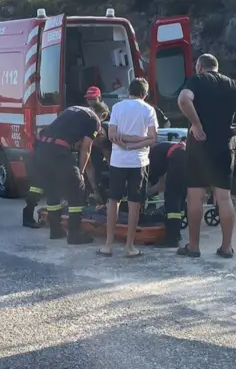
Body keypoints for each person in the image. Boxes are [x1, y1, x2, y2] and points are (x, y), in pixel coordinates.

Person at [175, 54, 236, 258]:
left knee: (195, 196)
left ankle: (194, 246)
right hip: (224, 144)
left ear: (199, 67)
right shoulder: (232, 84)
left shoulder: (197, 80)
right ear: (217, 67)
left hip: (199, 143)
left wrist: (196, 124)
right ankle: (226, 247)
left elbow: (184, 99)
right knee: (224, 197)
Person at [34, 100, 110, 244]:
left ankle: (55, 230)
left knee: (53, 189)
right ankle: (75, 233)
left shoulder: (73, 108)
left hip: (42, 147)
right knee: (77, 187)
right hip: (58, 150)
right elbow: (86, 148)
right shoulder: (94, 119)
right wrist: (80, 173)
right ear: (103, 115)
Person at [100, 79, 158, 258]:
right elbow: (152, 138)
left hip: (118, 161)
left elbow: (111, 135)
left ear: (129, 92)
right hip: (139, 162)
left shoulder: (117, 107)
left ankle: (108, 245)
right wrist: (137, 143)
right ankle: (129, 246)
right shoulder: (149, 110)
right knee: (134, 204)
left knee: (113, 201)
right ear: (145, 94)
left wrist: (125, 140)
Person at [144, 138, 187, 248]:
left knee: (172, 199)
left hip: (179, 161)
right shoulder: (162, 148)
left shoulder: (153, 156)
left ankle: (171, 240)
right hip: (188, 160)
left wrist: (146, 193)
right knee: (180, 199)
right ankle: (177, 234)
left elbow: (162, 184)